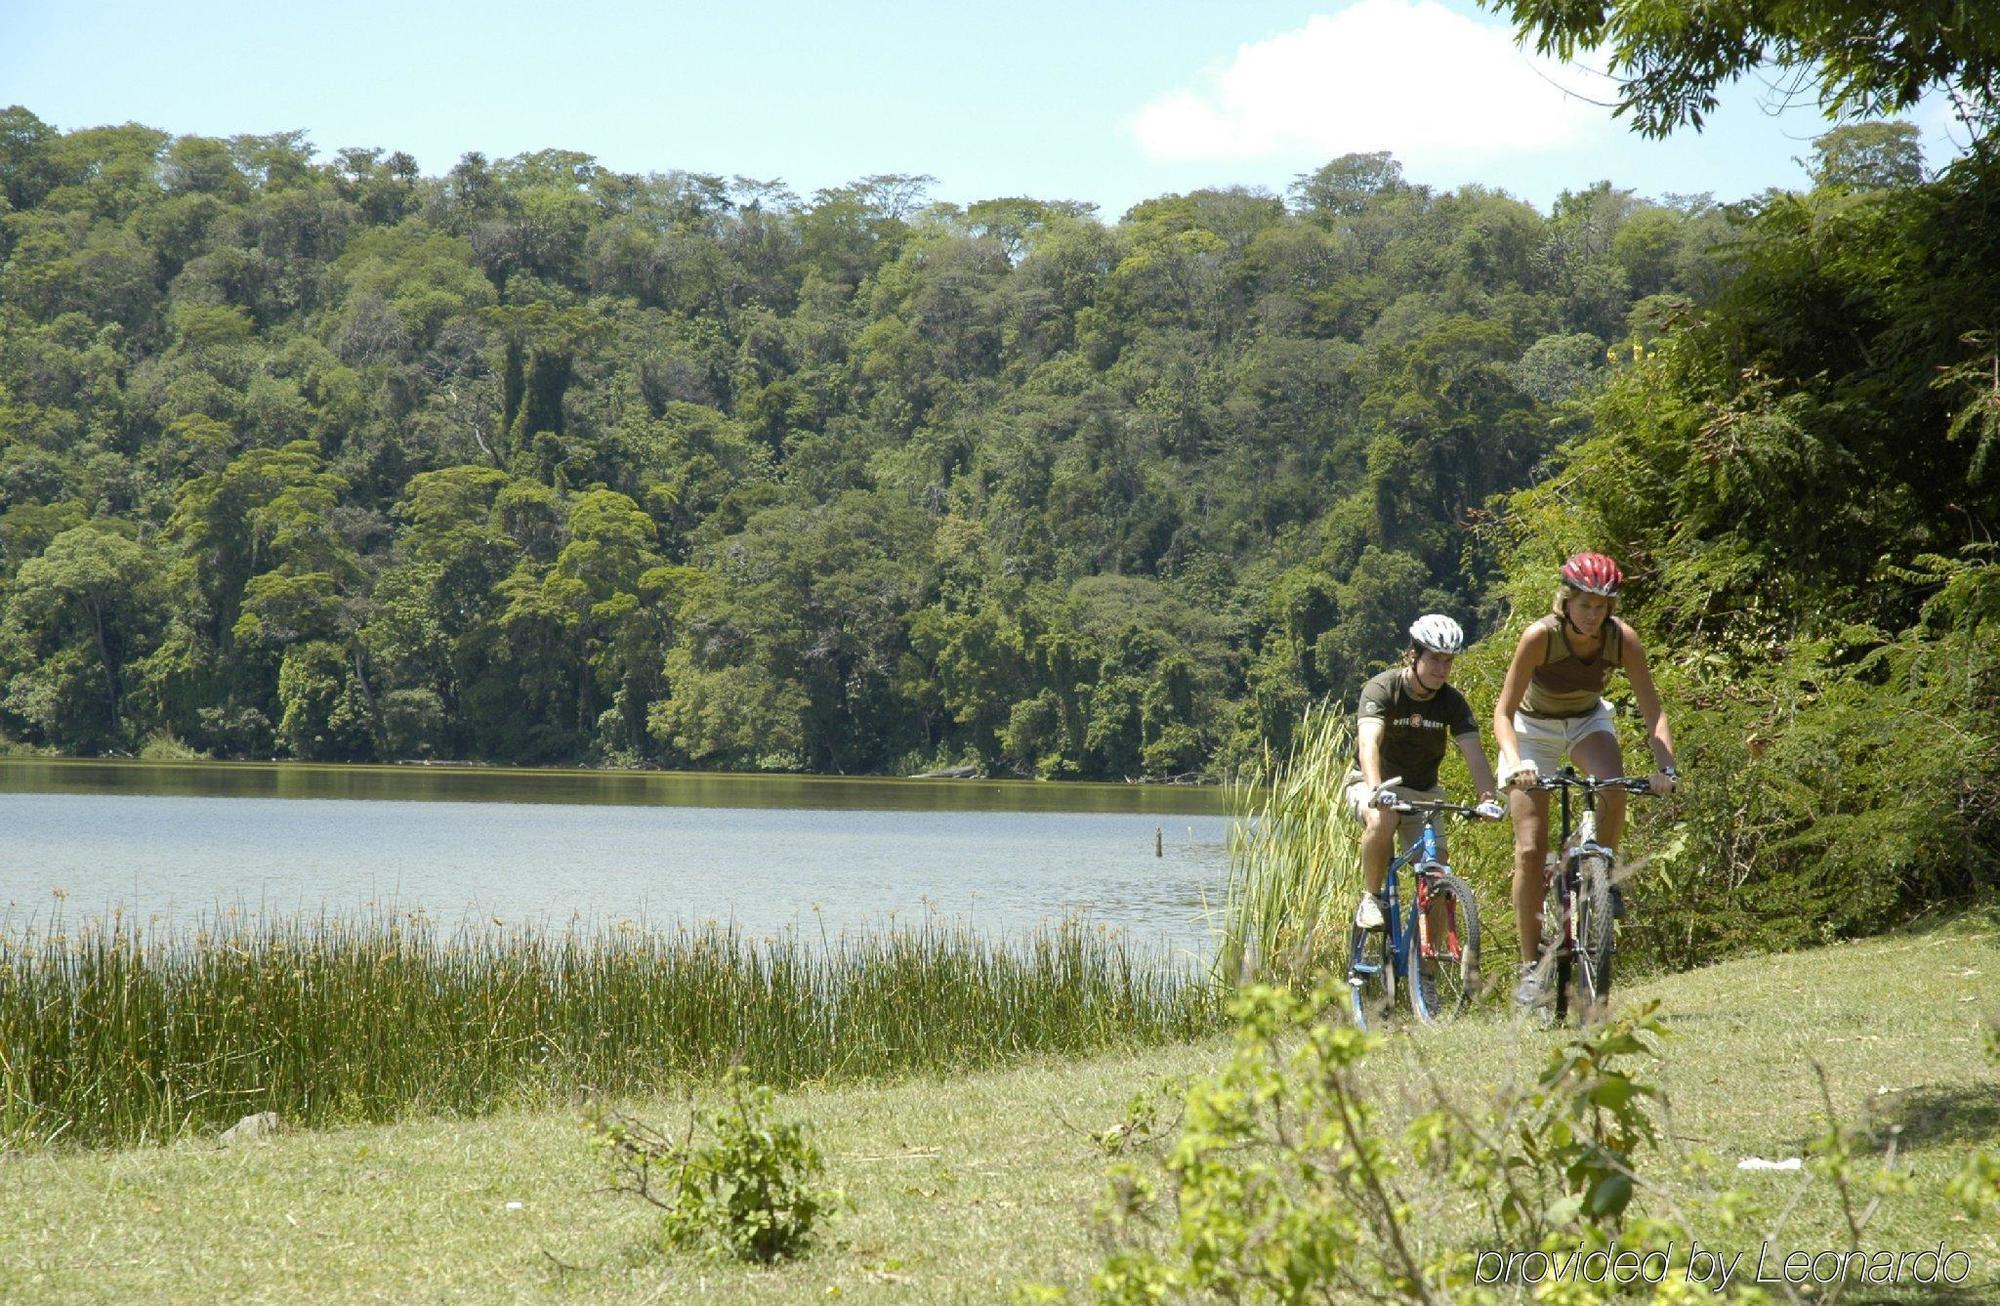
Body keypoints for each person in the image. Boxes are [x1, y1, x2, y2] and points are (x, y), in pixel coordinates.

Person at [1492, 551, 1678, 1009]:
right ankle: (1531, 967)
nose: (1593, 616)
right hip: (1531, 730)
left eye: (1601, 607)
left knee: (1612, 786)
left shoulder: (1621, 640)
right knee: (1531, 848)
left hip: (1585, 720)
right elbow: (1503, 711)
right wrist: (1516, 763)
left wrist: (1666, 768)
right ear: (1566, 600)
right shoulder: (1540, 637)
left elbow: (1653, 712)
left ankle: (1604, 874)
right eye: (1584, 605)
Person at [1347, 614, 1503, 932]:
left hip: (1424, 792)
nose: (1442, 669)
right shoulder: (1382, 688)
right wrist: (1376, 788)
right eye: (1434, 659)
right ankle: (1372, 898)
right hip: (1370, 782)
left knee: (1437, 876)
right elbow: (1368, 744)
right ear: (1413, 654)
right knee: (1383, 817)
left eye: (1448, 661)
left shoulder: (1452, 703)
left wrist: (1487, 799)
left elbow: (1474, 753)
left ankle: (1426, 974)